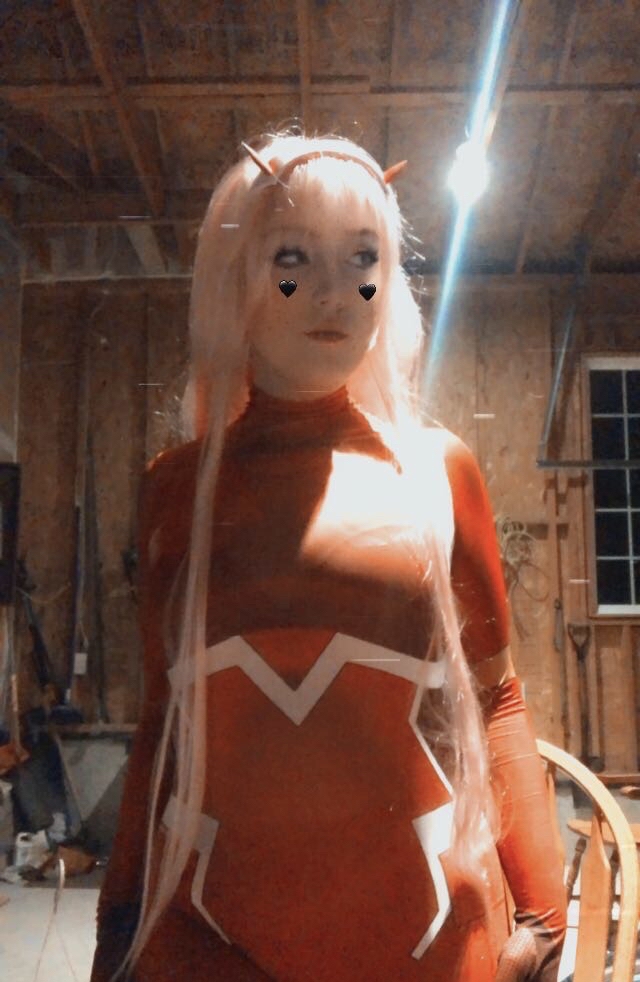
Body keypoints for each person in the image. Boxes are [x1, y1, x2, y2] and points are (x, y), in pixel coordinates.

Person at [90, 129, 567, 982]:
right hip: (208, 939)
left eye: (362, 260)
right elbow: (163, 723)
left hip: (428, 939)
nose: (333, 293)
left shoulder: (437, 471)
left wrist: (543, 915)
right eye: (292, 260)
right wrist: (119, 920)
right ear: (237, 277)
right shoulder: (176, 489)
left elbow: (496, 697)